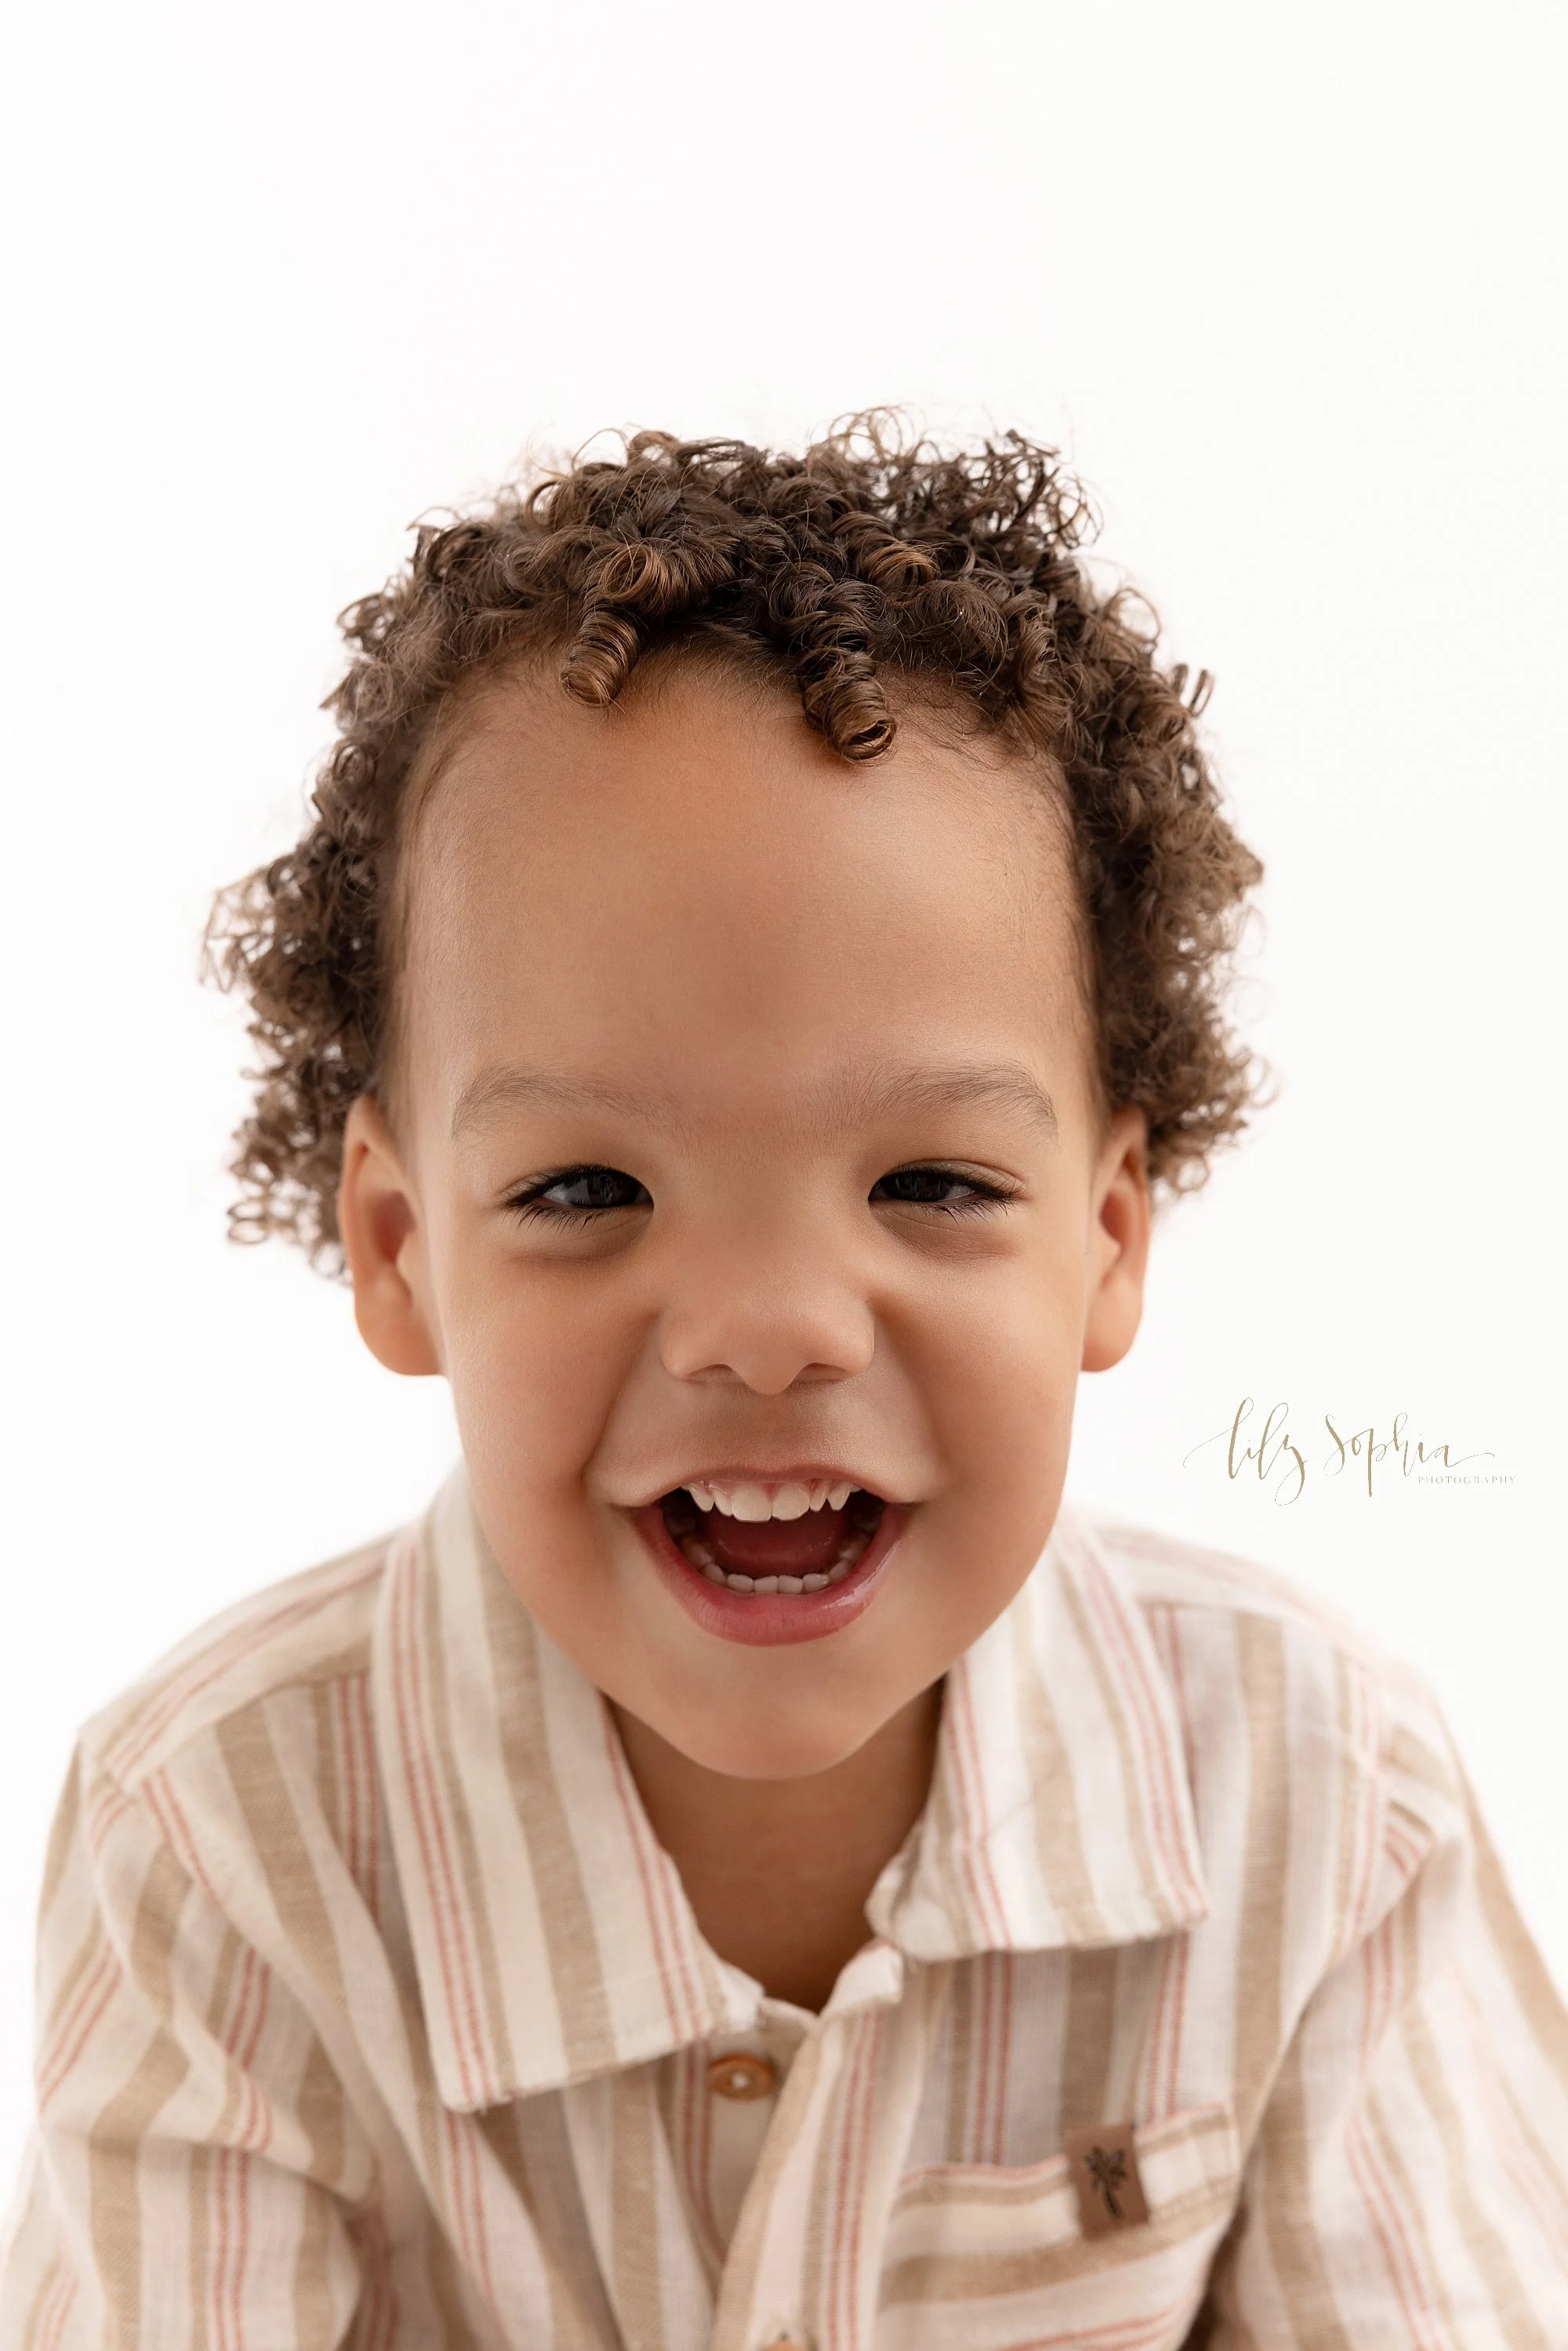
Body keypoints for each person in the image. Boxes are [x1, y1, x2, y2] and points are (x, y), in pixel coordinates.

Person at [4, 423, 1564, 2349]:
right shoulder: (226, 1838)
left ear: (1108, 1234)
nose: (763, 1328)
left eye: (930, 1182)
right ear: (403, 1246)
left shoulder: (1320, 1798)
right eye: (588, 1188)